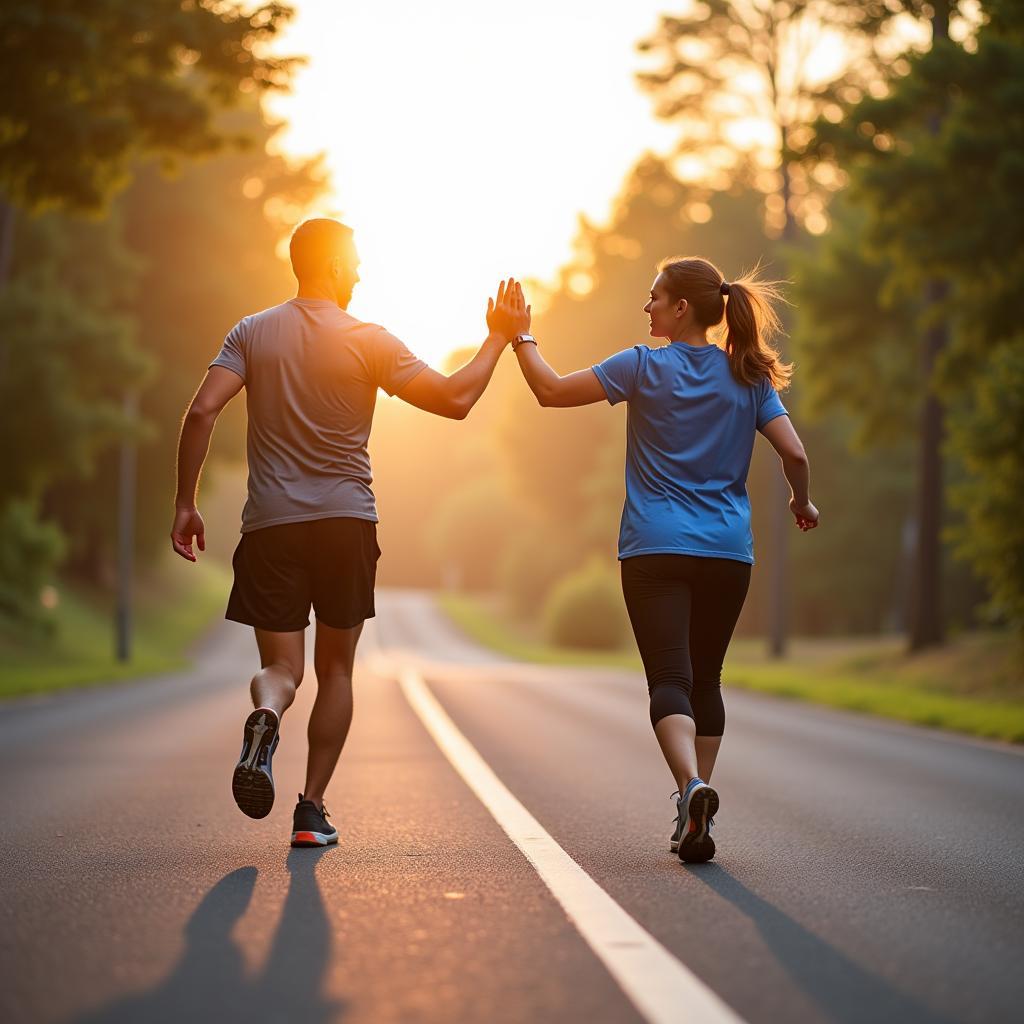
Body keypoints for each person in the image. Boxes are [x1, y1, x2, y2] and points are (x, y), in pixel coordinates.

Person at [171, 217, 529, 847]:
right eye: (356, 262)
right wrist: (498, 340)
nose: (360, 273)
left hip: (272, 526)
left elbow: (202, 410)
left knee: (283, 668)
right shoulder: (370, 340)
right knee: (337, 672)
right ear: (334, 265)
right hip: (345, 523)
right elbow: (454, 400)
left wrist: (185, 503)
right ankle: (311, 812)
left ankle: (265, 712)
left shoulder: (251, 332)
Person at [509, 257, 818, 863]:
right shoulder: (749, 377)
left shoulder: (643, 366)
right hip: (728, 552)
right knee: (707, 678)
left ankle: (690, 789)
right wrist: (801, 504)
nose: (646, 307)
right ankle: (694, 816)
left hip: (655, 547)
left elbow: (549, 391)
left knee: (669, 680)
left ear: (681, 308)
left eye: (654, 298)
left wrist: (521, 336)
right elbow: (796, 454)